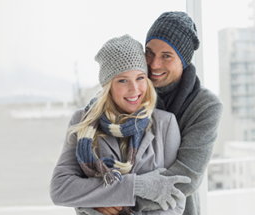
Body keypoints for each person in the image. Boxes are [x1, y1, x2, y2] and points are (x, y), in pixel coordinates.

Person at [94, 11, 224, 215]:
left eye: (166, 56)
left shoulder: (205, 106)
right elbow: (88, 165)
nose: (154, 64)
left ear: (183, 61)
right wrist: (88, 201)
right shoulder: (128, 95)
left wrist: (116, 199)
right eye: (149, 52)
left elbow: (185, 178)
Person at [50, 34, 191, 215]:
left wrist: (92, 200)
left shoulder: (165, 123)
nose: (134, 89)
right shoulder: (82, 121)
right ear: (108, 85)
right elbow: (60, 189)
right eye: (123, 80)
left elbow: (175, 202)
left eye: (140, 78)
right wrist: (137, 186)